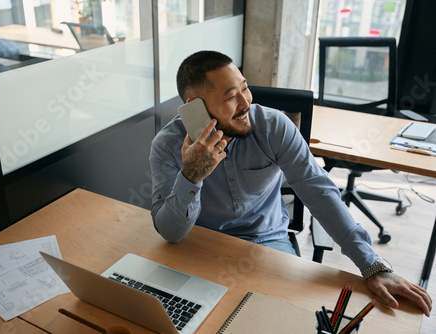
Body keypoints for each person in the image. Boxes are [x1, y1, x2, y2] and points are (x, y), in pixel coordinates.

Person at [149, 50, 432, 316]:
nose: (246, 102)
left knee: (276, 318)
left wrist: (371, 265)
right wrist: (192, 175)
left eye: (245, 87)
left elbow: (318, 190)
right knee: (181, 318)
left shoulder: (273, 127)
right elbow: (171, 232)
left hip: (266, 242)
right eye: (231, 97)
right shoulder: (167, 145)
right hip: (201, 245)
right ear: (195, 107)